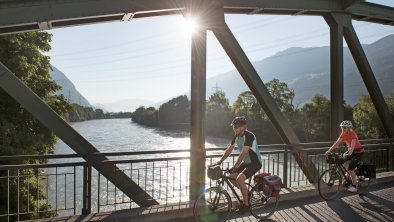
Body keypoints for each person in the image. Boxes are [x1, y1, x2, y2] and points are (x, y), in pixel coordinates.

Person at [215, 116, 262, 214]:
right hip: (246, 163)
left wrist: (235, 167)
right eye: (233, 127)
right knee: (231, 177)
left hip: (255, 163)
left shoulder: (249, 136)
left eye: (235, 127)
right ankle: (247, 194)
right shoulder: (236, 136)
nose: (233, 128)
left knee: (239, 179)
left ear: (242, 127)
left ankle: (246, 205)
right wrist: (219, 161)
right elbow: (229, 150)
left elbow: (243, 153)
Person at [326, 120, 365, 193]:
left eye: (344, 127)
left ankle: (354, 186)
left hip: (358, 152)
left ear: (349, 128)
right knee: (340, 160)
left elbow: (353, 146)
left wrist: (348, 154)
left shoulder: (353, 134)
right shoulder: (343, 133)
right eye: (342, 127)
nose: (342, 129)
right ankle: (347, 176)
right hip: (351, 151)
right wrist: (329, 150)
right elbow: (337, 143)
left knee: (350, 168)